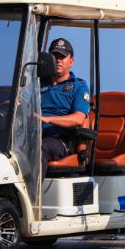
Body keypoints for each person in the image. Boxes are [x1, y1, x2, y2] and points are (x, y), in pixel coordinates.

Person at [40, 38, 91, 177]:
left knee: (39, 147)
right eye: (54, 56)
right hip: (31, 134)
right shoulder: (36, 83)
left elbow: (79, 119)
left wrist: (48, 119)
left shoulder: (78, 86)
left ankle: (32, 196)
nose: (58, 60)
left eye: (62, 57)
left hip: (59, 140)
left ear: (71, 62)